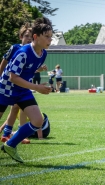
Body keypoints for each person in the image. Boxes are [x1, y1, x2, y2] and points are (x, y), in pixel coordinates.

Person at [0, 17, 53, 163]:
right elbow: (13, 77)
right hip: (6, 90)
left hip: (22, 91)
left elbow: (27, 71)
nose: (50, 40)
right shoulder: (22, 53)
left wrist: (39, 83)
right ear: (36, 37)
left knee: (37, 120)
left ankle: (10, 145)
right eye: (47, 37)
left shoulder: (43, 54)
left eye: (51, 37)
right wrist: (37, 87)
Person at [0, 23, 33, 144]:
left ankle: (7, 135)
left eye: (31, 36)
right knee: (1, 110)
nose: (29, 38)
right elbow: (3, 63)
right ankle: (7, 134)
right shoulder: (15, 48)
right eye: (26, 36)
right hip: (7, 84)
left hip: (19, 86)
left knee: (16, 108)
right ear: (21, 36)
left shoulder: (33, 52)